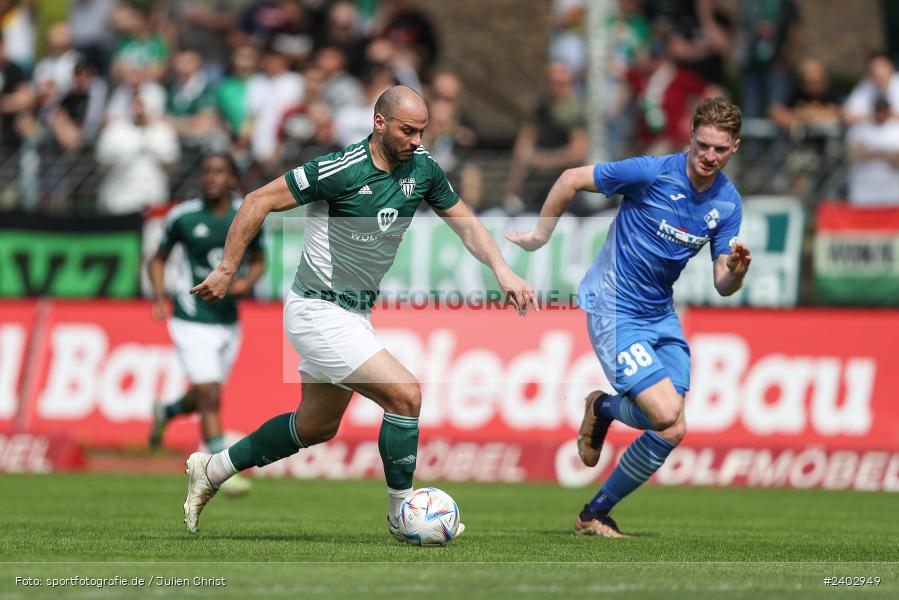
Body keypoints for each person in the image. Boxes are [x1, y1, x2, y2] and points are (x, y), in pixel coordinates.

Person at [183, 85, 536, 539]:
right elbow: (257, 201)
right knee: (405, 395)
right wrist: (228, 268)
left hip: (355, 314)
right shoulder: (340, 169)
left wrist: (502, 269)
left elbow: (466, 224)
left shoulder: (424, 169)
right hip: (317, 308)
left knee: (315, 425)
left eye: (422, 131)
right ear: (380, 123)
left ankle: (212, 469)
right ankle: (401, 515)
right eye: (408, 130)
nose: (416, 140)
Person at [507, 97, 752, 537]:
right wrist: (541, 235)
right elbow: (570, 178)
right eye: (702, 146)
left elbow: (722, 283)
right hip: (613, 306)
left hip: (660, 313)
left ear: (734, 147)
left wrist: (735, 271)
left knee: (672, 427)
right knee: (663, 411)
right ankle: (602, 408)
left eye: (719, 149)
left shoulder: (728, 203)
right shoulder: (652, 172)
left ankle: (594, 511)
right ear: (690, 136)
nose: (708, 157)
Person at [147, 153, 265, 498]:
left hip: (228, 321)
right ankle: (218, 472)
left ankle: (166, 410)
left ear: (232, 179)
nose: (211, 177)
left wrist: (246, 284)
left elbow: (259, 260)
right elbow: (158, 259)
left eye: (219, 172)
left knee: (204, 396)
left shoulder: (245, 215)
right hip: (190, 317)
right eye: (206, 172)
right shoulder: (182, 217)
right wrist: (158, 296)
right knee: (211, 395)